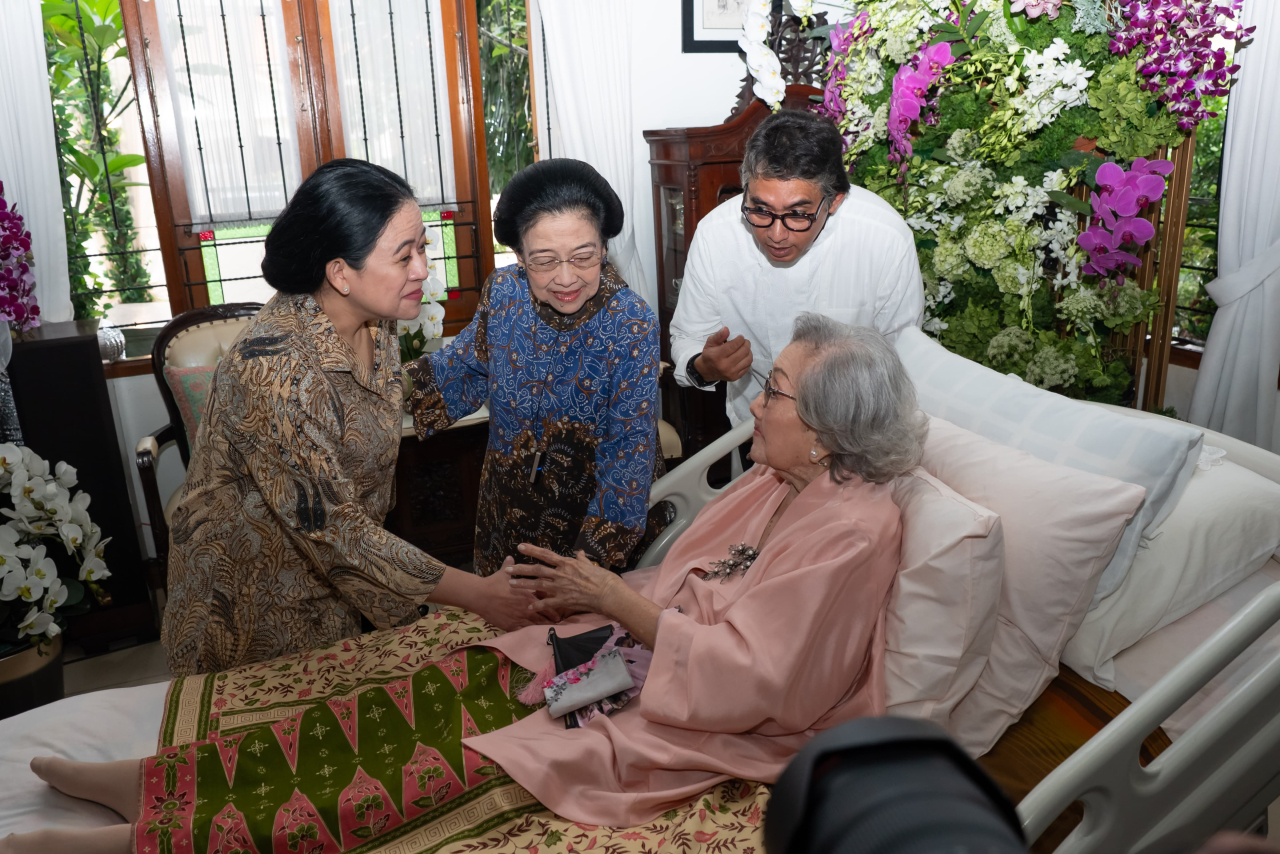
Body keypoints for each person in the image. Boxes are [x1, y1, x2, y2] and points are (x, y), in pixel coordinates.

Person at [7, 316, 923, 854]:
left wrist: (617, 603)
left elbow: (768, 683)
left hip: (697, 715)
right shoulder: (779, 477)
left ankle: (152, 838)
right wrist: (605, 604)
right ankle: (162, 780)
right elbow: (685, 581)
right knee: (432, 688)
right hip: (631, 662)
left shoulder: (853, 529)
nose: (756, 401)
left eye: (776, 391)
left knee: (452, 757)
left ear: (831, 431)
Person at [161, 159, 543, 677]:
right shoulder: (275, 372)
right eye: (403, 255)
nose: (423, 269)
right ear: (340, 272)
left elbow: (387, 397)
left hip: (334, 596)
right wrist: (478, 594)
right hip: (246, 606)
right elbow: (335, 531)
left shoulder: (373, 321)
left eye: (423, 247)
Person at [405, 159, 663, 577]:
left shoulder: (630, 324)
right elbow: (466, 367)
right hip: (507, 510)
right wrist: (387, 386)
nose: (566, 278)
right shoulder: (504, 292)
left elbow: (627, 460)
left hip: (589, 524)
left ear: (603, 247)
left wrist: (587, 570)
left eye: (584, 256)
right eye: (543, 260)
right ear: (519, 255)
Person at [669, 109, 925, 428]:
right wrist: (705, 367)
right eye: (760, 209)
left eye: (798, 215)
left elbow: (906, 357)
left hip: (855, 428)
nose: (776, 234)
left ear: (834, 201)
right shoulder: (716, 235)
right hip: (755, 426)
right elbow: (688, 337)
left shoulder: (883, 237)